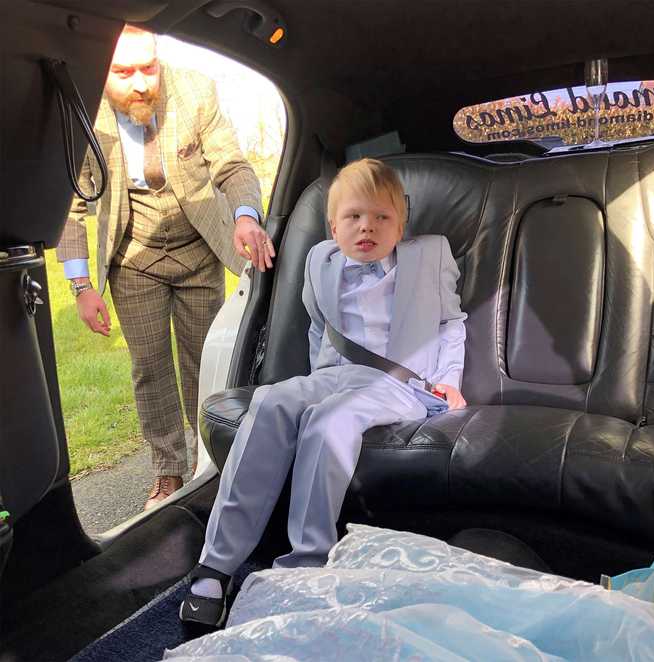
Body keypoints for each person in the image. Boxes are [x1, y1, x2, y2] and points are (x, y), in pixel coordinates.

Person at [179, 157, 467, 628]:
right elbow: (320, 328)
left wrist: (450, 381)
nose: (367, 227)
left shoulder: (431, 254)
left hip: (401, 383)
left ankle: (306, 562)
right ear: (333, 226)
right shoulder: (320, 259)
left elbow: (451, 324)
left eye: (382, 217)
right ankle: (217, 563)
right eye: (354, 217)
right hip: (336, 374)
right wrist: (314, 384)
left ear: (402, 224)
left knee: (330, 419)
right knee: (271, 401)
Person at [56, 25, 275, 510]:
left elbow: (233, 167)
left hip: (199, 252)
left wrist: (244, 217)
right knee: (149, 369)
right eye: (123, 71)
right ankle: (168, 471)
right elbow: (71, 206)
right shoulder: (82, 110)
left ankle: (211, 463)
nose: (140, 83)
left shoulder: (196, 90)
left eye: (148, 67)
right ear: (102, 69)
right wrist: (80, 286)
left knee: (207, 363)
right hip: (133, 261)